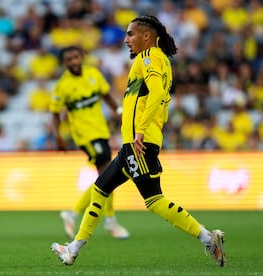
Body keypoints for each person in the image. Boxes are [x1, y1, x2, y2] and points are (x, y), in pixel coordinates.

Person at [51, 15, 226, 267]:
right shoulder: (161, 61)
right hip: (132, 144)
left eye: (130, 34)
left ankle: (207, 238)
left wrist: (141, 130)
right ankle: (73, 248)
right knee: (100, 189)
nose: (126, 39)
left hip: (138, 142)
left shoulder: (149, 57)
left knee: (154, 200)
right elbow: (160, 100)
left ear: (146, 36)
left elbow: (155, 93)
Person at [49, 45, 130, 240]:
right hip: (85, 136)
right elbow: (54, 114)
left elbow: (107, 96)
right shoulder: (63, 86)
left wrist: (120, 113)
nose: (74, 61)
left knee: (108, 176)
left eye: (76, 57)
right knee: (108, 175)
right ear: (64, 63)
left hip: (101, 131)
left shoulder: (93, 74)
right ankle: (107, 220)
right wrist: (58, 136)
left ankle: (75, 213)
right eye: (69, 59)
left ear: (82, 57)